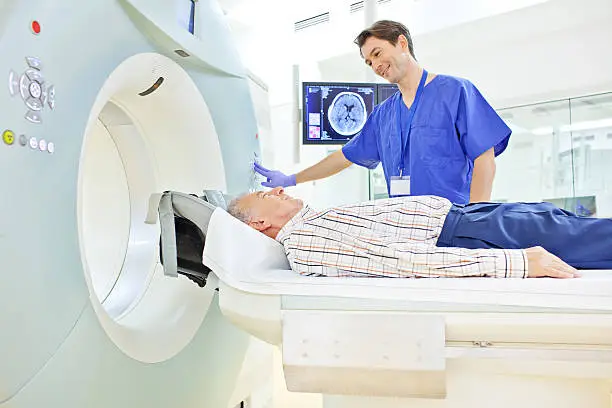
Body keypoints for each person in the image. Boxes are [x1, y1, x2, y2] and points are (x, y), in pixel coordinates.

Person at [254, 20, 512, 204]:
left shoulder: (456, 91)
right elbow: (344, 157)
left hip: (454, 220)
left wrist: (477, 218)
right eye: (369, 62)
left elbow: (484, 159)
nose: (376, 65)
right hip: (405, 226)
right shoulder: (383, 114)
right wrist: (291, 179)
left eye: (377, 54)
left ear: (402, 43)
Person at [228, 187, 612, 279]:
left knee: (582, 228)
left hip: (471, 217)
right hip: (470, 235)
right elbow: (399, 261)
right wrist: (521, 262)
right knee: (597, 238)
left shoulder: (313, 219)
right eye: (265, 194)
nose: (277, 189)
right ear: (258, 224)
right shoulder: (304, 243)